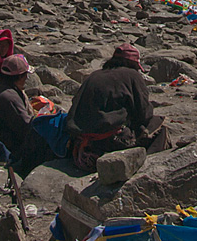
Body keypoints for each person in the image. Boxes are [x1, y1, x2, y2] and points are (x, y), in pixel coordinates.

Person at [66, 43, 167, 172]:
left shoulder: (94, 75)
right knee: (159, 126)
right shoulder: (132, 75)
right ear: (133, 64)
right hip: (108, 140)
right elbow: (144, 113)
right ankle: (148, 167)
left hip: (79, 140)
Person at [0, 53, 54, 176]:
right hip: (6, 145)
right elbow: (26, 127)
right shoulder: (8, 96)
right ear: (19, 77)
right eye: (25, 76)